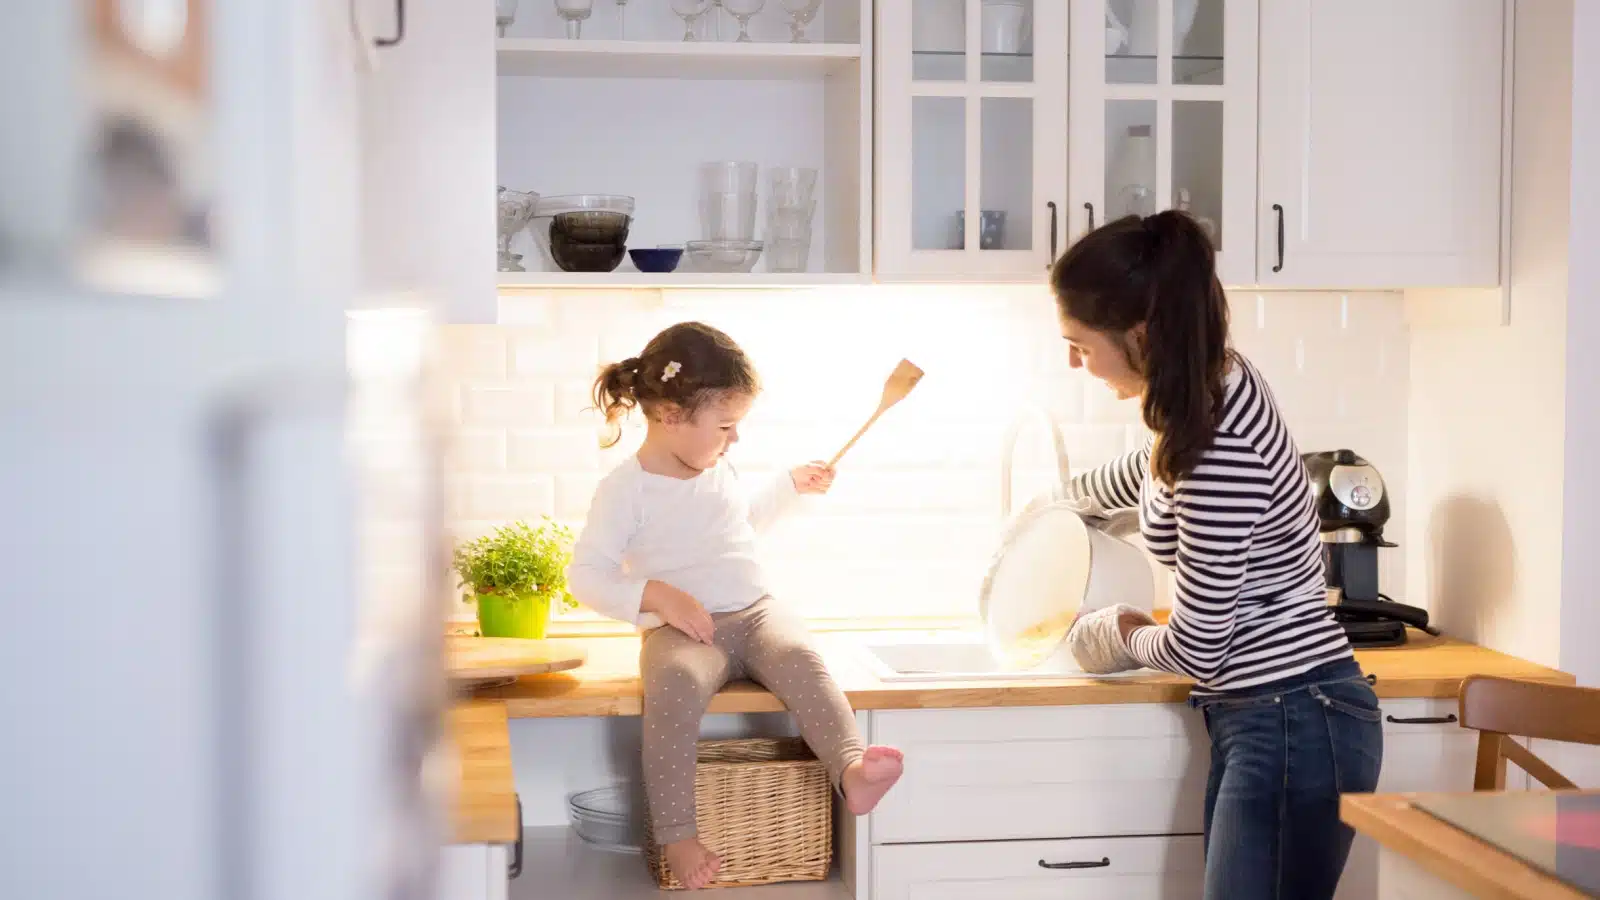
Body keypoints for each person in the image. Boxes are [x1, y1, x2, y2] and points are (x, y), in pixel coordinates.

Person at [1049, 211, 1384, 900]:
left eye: (1080, 345)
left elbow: (1201, 645)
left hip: (1294, 716)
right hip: (1279, 714)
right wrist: (1060, 503)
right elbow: (1152, 466)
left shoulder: (1216, 443)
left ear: (1138, 335)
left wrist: (1118, 635)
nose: (1073, 363)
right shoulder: (1206, 385)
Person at [566, 321, 904, 890]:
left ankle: (851, 770)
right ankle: (677, 833)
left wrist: (789, 487)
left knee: (802, 656)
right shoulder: (626, 490)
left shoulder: (716, 465)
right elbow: (586, 577)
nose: (735, 439)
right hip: (682, 632)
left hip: (754, 612)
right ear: (670, 415)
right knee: (671, 690)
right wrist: (654, 595)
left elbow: (738, 526)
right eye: (726, 426)